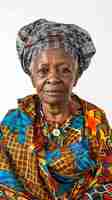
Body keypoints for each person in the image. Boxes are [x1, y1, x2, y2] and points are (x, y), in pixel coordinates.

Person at [0, 18, 112, 200]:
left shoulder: (94, 119)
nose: (53, 78)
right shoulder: (13, 124)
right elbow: (3, 186)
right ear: (32, 76)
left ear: (77, 75)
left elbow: (108, 179)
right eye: (43, 71)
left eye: (65, 70)